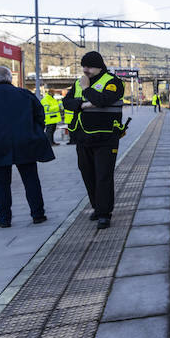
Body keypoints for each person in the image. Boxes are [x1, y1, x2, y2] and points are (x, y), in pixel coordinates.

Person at [0, 66, 54, 228]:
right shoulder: (25, 94)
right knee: (31, 180)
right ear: (9, 78)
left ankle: (4, 219)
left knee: (0, 184)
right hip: (25, 143)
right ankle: (38, 214)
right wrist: (33, 132)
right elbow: (40, 116)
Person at [62, 50, 125, 229]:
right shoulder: (78, 82)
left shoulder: (113, 82)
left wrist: (86, 89)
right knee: (87, 174)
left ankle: (105, 213)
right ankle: (97, 207)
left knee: (103, 175)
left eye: (89, 66)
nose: (85, 70)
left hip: (105, 137)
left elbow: (103, 100)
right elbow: (67, 102)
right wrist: (83, 104)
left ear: (99, 67)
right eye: (83, 66)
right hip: (82, 137)